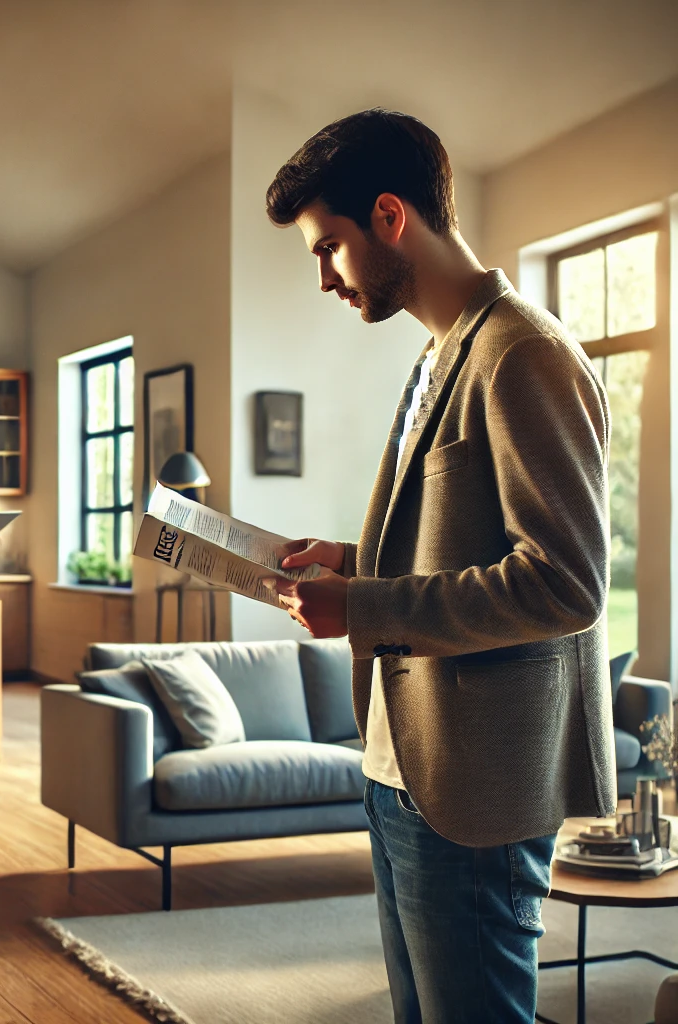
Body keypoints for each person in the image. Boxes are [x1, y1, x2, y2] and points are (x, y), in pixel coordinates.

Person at [265, 109, 615, 1023]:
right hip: (402, 767)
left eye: (328, 247)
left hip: (474, 786)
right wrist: (352, 561)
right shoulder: (437, 354)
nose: (324, 276)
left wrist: (367, 604)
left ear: (390, 217)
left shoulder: (522, 353)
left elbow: (565, 583)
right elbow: (466, 540)